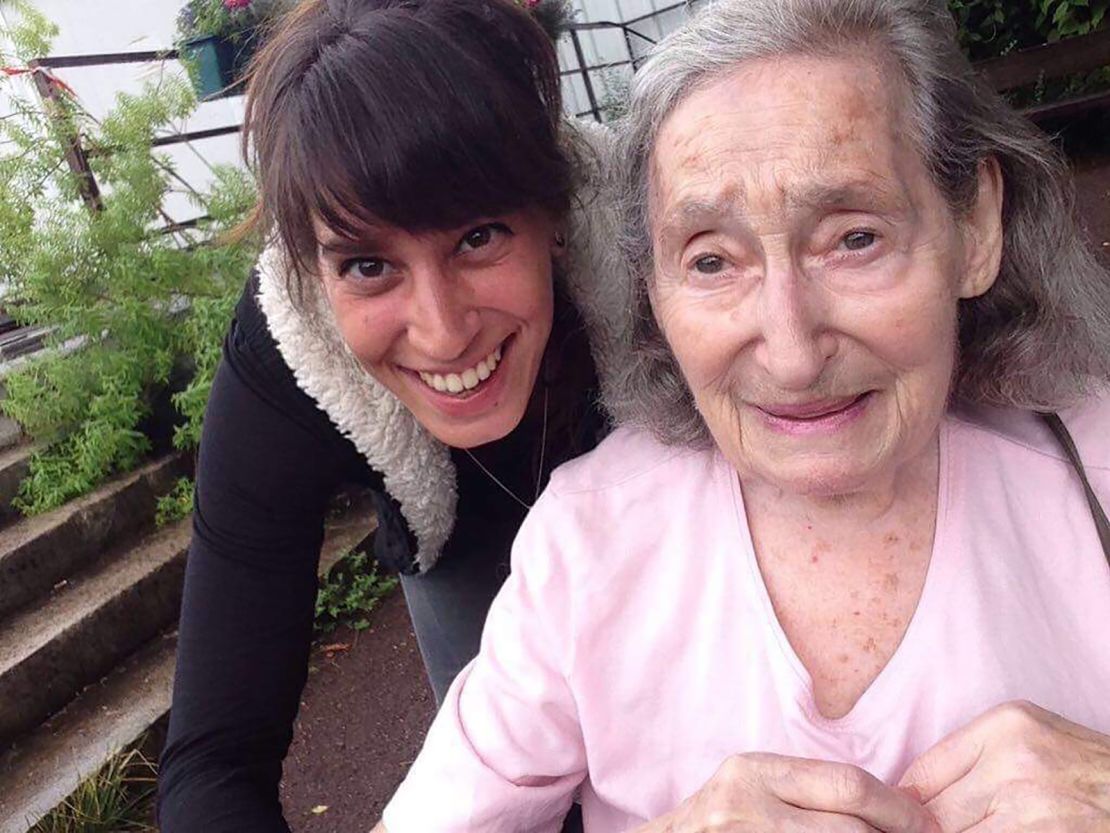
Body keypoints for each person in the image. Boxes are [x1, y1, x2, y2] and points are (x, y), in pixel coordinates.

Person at [374, 0, 1110, 830]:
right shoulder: (590, 544)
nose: (792, 352)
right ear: (649, 283)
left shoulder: (1096, 465)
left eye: (854, 237)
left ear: (973, 225)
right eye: (713, 259)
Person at [156, 1, 630, 831]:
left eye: (480, 236)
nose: (443, 332)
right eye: (370, 265)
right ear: (313, 269)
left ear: (553, 212)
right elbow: (213, 757)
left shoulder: (647, 240)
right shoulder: (288, 354)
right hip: (460, 543)